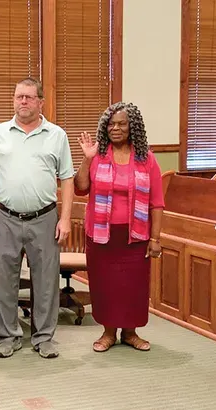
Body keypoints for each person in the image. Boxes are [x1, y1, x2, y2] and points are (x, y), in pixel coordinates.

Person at [0, 78, 75, 359]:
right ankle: (7, 336)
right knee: (4, 280)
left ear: (40, 102)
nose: (23, 101)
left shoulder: (56, 135)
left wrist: (65, 219)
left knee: (46, 281)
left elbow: (67, 178)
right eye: (18, 97)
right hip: (6, 218)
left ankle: (44, 337)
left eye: (29, 97)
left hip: (45, 218)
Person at [74, 102, 165, 352]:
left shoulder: (146, 159)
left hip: (135, 236)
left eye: (122, 124)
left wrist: (155, 239)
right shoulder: (98, 156)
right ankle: (108, 333)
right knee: (105, 286)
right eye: (111, 124)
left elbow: (157, 202)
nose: (115, 128)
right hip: (101, 235)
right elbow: (81, 187)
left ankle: (130, 333)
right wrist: (87, 158)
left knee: (133, 287)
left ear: (132, 126)